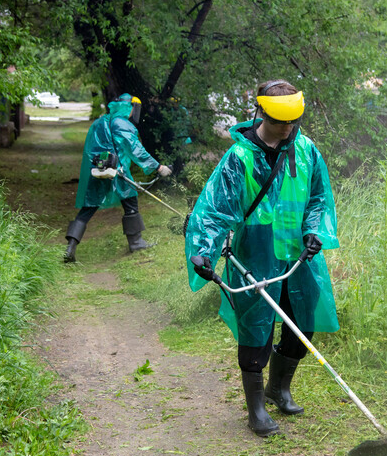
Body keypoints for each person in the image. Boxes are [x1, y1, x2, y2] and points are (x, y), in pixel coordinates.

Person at [184, 80, 339, 437]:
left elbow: (318, 197)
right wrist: (204, 251)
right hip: (256, 249)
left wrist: (315, 230)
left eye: (293, 122)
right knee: (256, 331)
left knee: (302, 325)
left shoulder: (306, 149)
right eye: (279, 122)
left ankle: (278, 389)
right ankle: (256, 409)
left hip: (300, 253)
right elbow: (215, 212)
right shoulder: (239, 157)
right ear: (261, 113)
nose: (287, 130)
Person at [65, 93, 172, 261]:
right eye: (134, 109)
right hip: (116, 170)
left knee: (88, 207)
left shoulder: (101, 121)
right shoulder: (121, 123)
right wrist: (158, 167)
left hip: (98, 169)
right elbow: (136, 150)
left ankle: (70, 247)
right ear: (129, 108)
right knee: (130, 200)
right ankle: (136, 242)